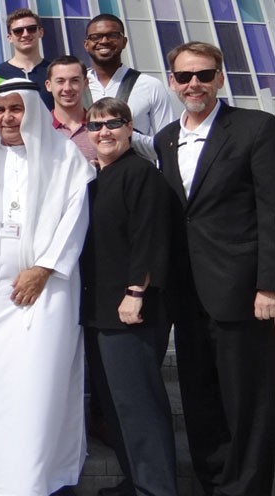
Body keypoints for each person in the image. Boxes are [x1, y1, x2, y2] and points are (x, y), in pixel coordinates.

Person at [0, 78, 94, 495]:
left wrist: (44, 269)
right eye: (0, 110)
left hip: (44, 295)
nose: (8, 118)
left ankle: (37, 479)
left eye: (16, 109)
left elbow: (74, 217)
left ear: (32, 111)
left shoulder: (62, 155)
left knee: (38, 386)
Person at [154, 41, 275, 496]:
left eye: (204, 75)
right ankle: (213, 482)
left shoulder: (256, 128)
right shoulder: (166, 138)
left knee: (247, 401)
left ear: (220, 78)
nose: (194, 84)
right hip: (186, 293)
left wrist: (270, 285)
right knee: (200, 397)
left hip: (242, 290)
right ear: (173, 82)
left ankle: (246, 487)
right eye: (184, 77)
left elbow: (272, 210)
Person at [81, 97, 177, 496]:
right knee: (117, 406)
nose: (104, 131)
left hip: (130, 311)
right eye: (96, 125)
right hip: (99, 310)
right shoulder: (96, 179)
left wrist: (136, 292)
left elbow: (150, 237)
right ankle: (136, 481)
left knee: (139, 406)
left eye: (113, 123)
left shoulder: (142, 174)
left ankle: (157, 489)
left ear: (130, 126)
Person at [83, 14, 175, 160]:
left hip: (136, 177)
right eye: (96, 37)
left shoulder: (150, 86)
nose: (104, 41)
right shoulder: (74, 87)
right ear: (86, 44)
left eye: (112, 35)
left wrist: (125, 133)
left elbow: (167, 148)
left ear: (124, 41)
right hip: (87, 179)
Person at [0, 9, 55, 110]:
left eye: (31, 29)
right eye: (18, 31)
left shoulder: (54, 71)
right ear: (9, 37)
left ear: (41, 32)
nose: (25, 34)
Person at [46, 56, 97, 162]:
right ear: (48, 85)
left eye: (75, 80)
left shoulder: (101, 128)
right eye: (60, 81)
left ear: (86, 84)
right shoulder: (40, 130)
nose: (68, 88)